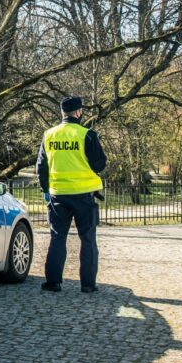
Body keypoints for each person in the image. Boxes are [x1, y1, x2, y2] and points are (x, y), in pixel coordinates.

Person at [36, 96, 107, 293]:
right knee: (87, 239)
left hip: (58, 194)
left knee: (57, 237)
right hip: (84, 195)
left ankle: (53, 282)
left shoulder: (49, 135)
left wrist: (45, 190)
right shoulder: (88, 135)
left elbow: (41, 166)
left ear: (62, 113)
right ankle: (88, 284)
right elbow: (99, 164)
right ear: (78, 112)